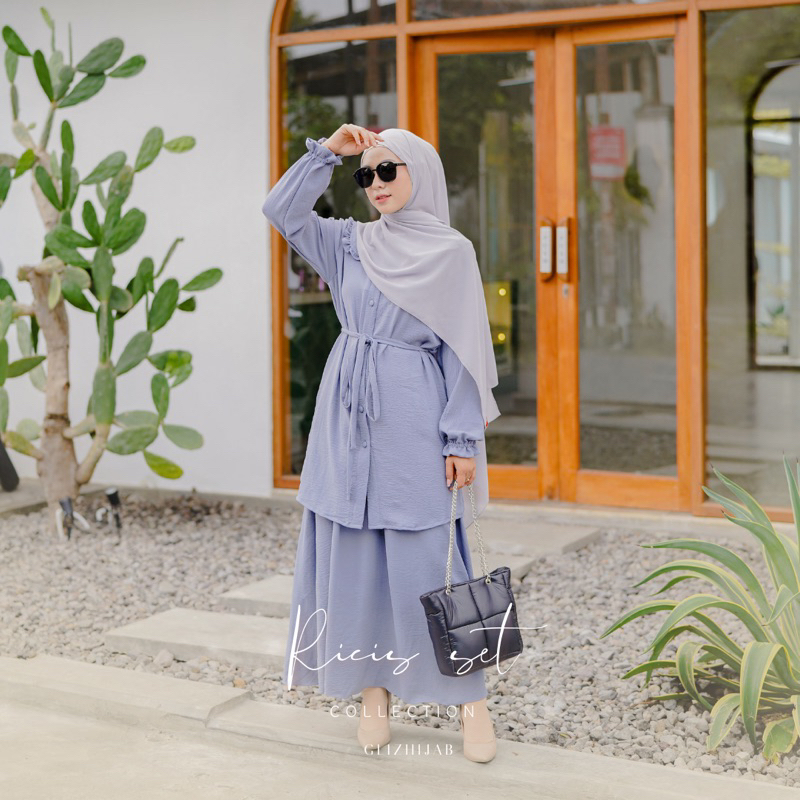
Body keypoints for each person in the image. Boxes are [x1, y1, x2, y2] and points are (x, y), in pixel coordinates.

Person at [261, 123, 501, 762]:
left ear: (421, 171)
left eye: (388, 169)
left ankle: (470, 700)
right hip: (345, 419)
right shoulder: (351, 243)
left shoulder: (451, 253)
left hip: (413, 415)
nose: (375, 184)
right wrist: (327, 154)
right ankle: (374, 696)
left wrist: (460, 439)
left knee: (429, 561)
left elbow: (463, 353)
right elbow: (281, 211)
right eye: (366, 175)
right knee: (357, 560)